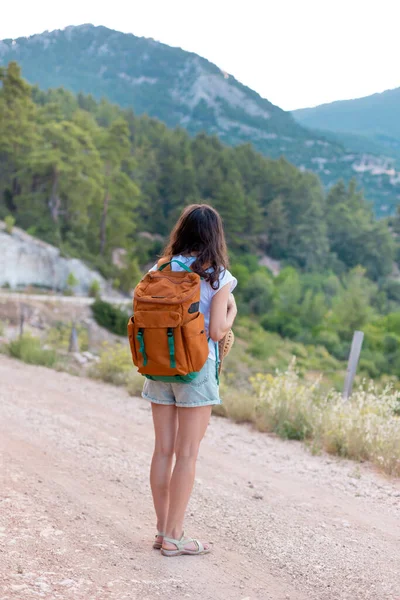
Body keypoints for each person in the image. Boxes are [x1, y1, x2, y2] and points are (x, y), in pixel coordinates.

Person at [142, 204, 238, 557]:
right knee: (187, 455)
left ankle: (161, 530)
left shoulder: (160, 269)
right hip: (196, 370)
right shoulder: (218, 275)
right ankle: (175, 536)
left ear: (181, 231)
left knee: (163, 450)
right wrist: (230, 311)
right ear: (215, 235)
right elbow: (216, 331)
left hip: (159, 367)